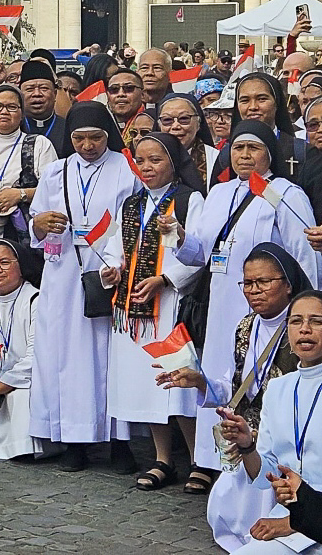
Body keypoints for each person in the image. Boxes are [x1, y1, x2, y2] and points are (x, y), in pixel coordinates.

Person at [179, 118, 318, 481]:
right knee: (222, 374)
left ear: (269, 154)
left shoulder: (285, 193)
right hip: (223, 303)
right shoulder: (220, 193)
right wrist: (177, 236)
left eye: (253, 148)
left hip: (268, 309)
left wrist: (304, 309)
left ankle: (259, 458)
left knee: (260, 378)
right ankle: (212, 460)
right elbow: (200, 254)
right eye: (237, 148)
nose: (244, 155)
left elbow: (303, 257)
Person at [158, 245, 308, 546]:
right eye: (248, 283)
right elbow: (236, 385)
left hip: (289, 437)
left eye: (264, 282)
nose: (254, 291)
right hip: (248, 434)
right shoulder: (245, 326)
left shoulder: (304, 328)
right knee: (226, 518)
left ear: (288, 284)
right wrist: (200, 381)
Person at [29, 100, 141, 472]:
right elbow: (36, 225)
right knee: (66, 357)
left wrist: (120, 264)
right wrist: (41, 224)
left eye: (95, 138)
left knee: (111, 356)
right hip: (63, 270)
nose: (88, 145)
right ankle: (73, 439)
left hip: (110, 269)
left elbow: (135, 223)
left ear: (108, 135)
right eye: (79, 138)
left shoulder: (127, 169)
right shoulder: (54, 172)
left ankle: (119, 441)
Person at [100, 132, 204, 490]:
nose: (147, 167)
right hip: (132, 310)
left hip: (171, 305)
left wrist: (166, 279)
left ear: (173, 164)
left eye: (155, 160)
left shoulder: (190, 200)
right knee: (149, 384)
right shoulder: (131, 205)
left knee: (178, 382)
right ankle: (162, 459)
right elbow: (115, 247)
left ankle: (197, 460)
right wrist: (110, 270)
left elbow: (199, 252)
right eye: (141, 161)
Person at [214, 289, 322, 554]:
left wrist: (295, 521)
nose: (304, 329)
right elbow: (265, 477)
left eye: (316, 321)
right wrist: (247, 445)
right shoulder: (278, 389)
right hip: (290, 520)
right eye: (296, 321)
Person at [0, 239, 53, 461]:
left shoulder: (36, 299)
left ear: (21, 264)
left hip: (30, 372)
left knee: (23, 390)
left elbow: (37, 356)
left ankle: (24, 447)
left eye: (4, 262)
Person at [0, 84, 58, 253]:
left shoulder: (39, 144)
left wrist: (20, 195)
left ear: (22, 113)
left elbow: (54, 191)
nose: (4, 112)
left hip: (25, 237)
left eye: (12, 107)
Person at [213, 73, 308, 185]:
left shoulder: (302, 152)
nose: (253, 107)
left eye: (262, 99)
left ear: (276, 103)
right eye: (244, 100)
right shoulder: (226, 156)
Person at [157, 92, 218, 189]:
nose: (175, 126)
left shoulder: (216, 159)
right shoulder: (148, 161)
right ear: (159, 125)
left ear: (198, 123)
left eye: (184, 119)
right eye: (167, 120)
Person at [19, 59, 71, 159]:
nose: (37, 94)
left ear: (55, 94)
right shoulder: (14, 127)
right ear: (20, 95)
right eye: (30, 89)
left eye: (44, 88)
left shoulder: (67, 129)